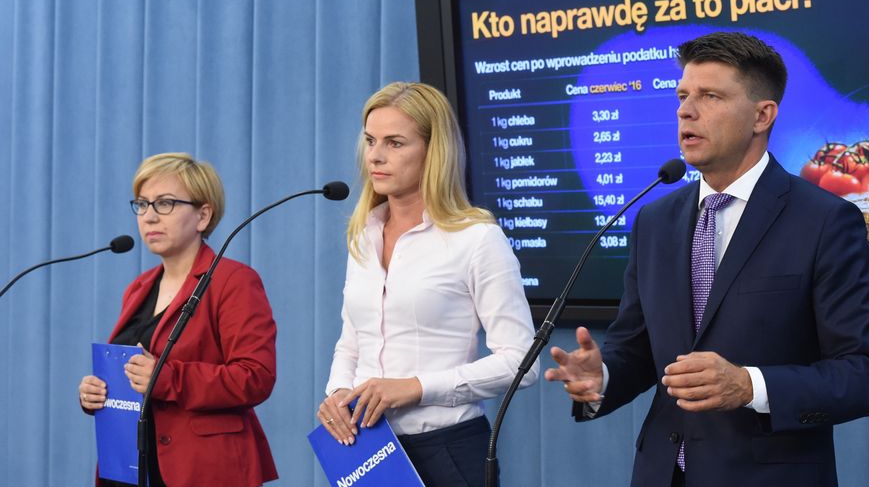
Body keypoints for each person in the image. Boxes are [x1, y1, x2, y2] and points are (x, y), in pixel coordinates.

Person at [545, 32, 869, 487]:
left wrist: (750, 386)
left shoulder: (826, 221)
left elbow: (868, 374)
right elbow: (638, 349)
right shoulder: (655, 220)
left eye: (710, 96)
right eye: (682, 96)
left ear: (762, 115)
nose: (686, 111)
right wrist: (602, 378)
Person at [316, 82, 539, 487]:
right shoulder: (363, 235)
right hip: (368, 448)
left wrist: (416, 388)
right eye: (370, 140)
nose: (375, 155)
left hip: (447, 450)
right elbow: (352, 341)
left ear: (434, 151)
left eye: (395, 143)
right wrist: (338, 392)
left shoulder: (477, 238)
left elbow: (521, 363)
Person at [77, 152, 278, 487]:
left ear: (203, 215)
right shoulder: (138, 288)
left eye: (165, 203)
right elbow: (134, 373)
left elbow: (256, 376)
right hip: (129, 465)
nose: (149, 216)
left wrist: (167, 377)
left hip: (202, 469)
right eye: (142, 204)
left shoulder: (233, 281)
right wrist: (98, 392)